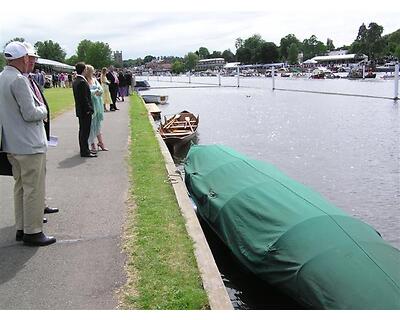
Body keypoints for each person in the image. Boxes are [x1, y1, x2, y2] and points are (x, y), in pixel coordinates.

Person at [0, 41, 56, 246]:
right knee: (34, 188)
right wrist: (43, 109)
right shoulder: (19, 80)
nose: (29, 61)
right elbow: (31, 113)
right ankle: (33, 231)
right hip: (29, 144)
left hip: (12, 144)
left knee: (21, 187)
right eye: (28, 58)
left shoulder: (2, 78)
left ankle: (21, 227)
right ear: (23, 58)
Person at [72, 62, 96, 158]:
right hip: (84, 111)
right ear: (84, 70)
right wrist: (89, 109)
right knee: (85, 132)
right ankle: (85, 151)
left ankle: (85, 149)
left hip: (80, 110)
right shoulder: (82, 82)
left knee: (83, 131)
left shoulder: (76, 81)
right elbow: (84, 98)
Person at [85, 65, 108, 152]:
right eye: (92, 71)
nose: (93, 72)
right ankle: (92, 144)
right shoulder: (85, 81)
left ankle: (100, 142)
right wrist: (95, 92)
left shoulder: (94, 80)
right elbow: (87, 92)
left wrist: (99, 92)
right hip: (91, 105)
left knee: (98, 125)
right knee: (91, 126)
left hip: (98, 104)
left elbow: (101, 89)